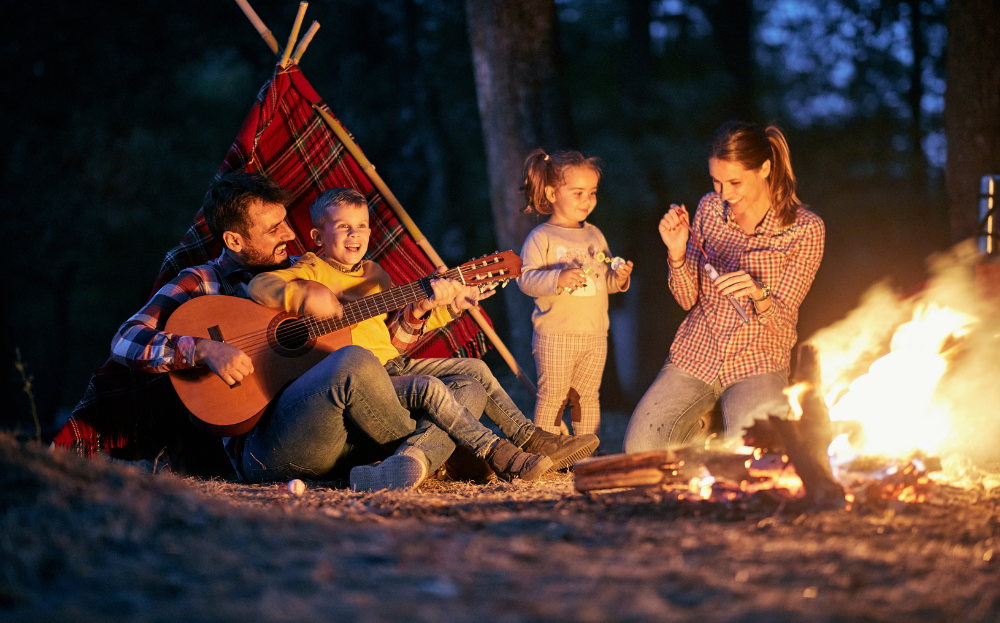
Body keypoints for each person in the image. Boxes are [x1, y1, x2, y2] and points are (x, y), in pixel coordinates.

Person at [110, 171, 546, 490]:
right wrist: (204, 348)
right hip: (273, 445)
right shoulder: (201, 283)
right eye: (273, 228)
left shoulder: (306, 270)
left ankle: (406, 464)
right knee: (353, 361)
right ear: (235, 241)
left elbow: (383, 348)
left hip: (349, 432)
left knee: (464, 385)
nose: (289, 232)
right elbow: (126, 341)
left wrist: (421, 311)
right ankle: (446, 451)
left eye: (286, 221)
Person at [246, 187, 601, 488]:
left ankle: (529, 437)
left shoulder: (375, 275)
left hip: (392, 364)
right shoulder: (310, 268)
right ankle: (499, 454)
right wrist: (303, 295)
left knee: (474, 371)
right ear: (318, 236)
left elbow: (394, 342)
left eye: (362, 226)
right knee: (434, 388)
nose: (355, 235)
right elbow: (260, 285)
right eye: (343, 227)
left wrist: (441, 307)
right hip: (360, 379)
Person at [623, 121, 825, 452]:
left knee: (758, 454)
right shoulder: (709, 209)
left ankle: (713, 432)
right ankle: (703, 430)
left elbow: (782, 320)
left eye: (734, 182)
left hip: (759, 358)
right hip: (698, 351)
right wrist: (676, 253)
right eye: (716, 181)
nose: (724, 194)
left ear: (765, 168)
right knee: (641, 448)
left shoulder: (805, 230)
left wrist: (758, 292)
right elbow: (687, 298)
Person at [515, 150, 633, 437]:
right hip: (555, 334)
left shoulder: (594, 234)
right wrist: (557, 278)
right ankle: (546, 450)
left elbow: (604, 281)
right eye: (578, 192)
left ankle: (586, 452)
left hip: (594, 335)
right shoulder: (542, 237)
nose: (587, 200)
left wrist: (618, 279)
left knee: (588, 397)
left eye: (591, 192)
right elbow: (525, 280)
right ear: (552, 193)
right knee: (553, 396)